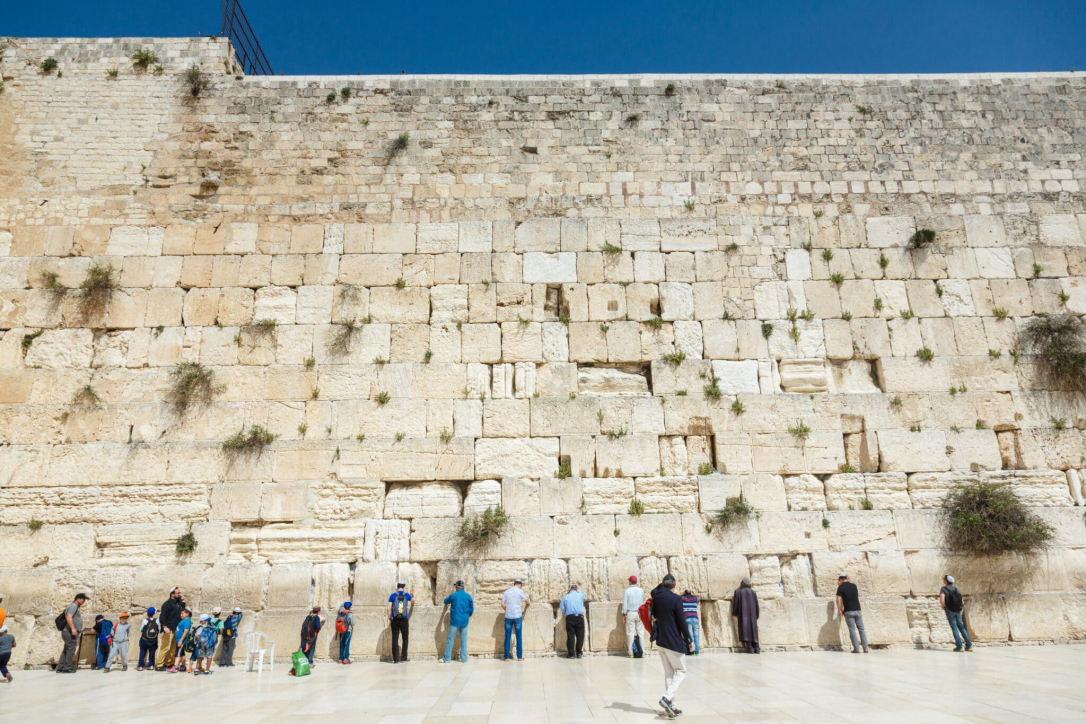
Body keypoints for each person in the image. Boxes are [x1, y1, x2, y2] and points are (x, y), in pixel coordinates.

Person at [650, 575, 694, 719]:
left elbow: (654, 590)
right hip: (673, 640)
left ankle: (672, 707)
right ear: (674, 585)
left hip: (661, 640)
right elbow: (682, 621)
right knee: (681, 671)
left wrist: (661, 585)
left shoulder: (656, 596)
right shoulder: (676, 599)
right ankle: (667, 697)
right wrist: (689, 640)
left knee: (669, 673)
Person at [441, 580, 474, 663]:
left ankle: (447, 658)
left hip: (455, 621)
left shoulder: (454, 595)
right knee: (464, 640)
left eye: (456, 586)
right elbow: (471, 610)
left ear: (457, 587)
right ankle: (464, 658)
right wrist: (467, 615)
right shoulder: (468, 596)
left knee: (450, 640)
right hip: (464, 621)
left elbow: (445, 601)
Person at [56, 592, 89, 673]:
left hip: (69, 631)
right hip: (69, 632)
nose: (83, 601)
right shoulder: (73, 606)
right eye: (83, 599)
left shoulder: (74, 606)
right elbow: (69, 617)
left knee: (67, 650)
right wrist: (73, 628)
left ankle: (61, 667)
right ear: (78, 598)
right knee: (71, 649)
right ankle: (67, 667)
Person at [836, 573, 868, 654]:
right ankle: (865, 648)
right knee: (861, 629)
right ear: (846, 578)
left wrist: (839, 609)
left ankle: (856, 649)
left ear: (840, 579)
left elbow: (838, 599)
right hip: (858, 610)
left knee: (852, 629)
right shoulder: (854, 586)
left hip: (848, 611)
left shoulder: (840, 587)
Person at [941, 575, 973, 652]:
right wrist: (960, 608)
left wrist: (943, 606)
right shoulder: (956, 589)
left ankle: (959, 646)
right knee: (961, 627)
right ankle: (969, 646)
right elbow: (962, 601)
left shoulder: (943, 589)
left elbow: (942, 599)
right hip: (958, 610)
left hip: (950, 610)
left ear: (946, 581)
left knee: (954, 627)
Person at [501, 578, 530, 662]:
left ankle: (506, 657)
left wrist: (507, 609)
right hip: (517, 616)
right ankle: (519, 657)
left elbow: (502, 604)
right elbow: (527, 601)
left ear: (514, 584)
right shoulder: (520, 591)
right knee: (518, 637)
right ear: (520, 585)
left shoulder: (507, 592)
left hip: (508, 616)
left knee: (507, 637)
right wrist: (528, 603)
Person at [156, 587, 184, 671]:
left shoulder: (178, 603)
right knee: (165, 646)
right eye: (178, 593)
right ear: (172, 594)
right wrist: (164, 627)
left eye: (179, 593)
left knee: (173, 647)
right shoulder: (167, 604)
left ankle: (169, 662)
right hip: (168, 629)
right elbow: (162, 616)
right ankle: (159, 664)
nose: (179, 594)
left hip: (176, 629)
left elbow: (183, 611)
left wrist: (182, 601)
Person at [732, 578, 760, 654]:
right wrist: (757, 615)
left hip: (743, 614)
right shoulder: (753, 592)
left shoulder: (738, 592)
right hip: (752, 615)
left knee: (745, 630)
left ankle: (750, 647)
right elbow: (756, 604)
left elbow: (736, 603)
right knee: (753, 630)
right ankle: (757, 648)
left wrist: (735, 613)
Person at [387, 582, 413, 664]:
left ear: (397, 587)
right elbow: (413, 601)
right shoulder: (407, 595)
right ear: (404, 587)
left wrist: (389, 617)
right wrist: (415, 594)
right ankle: (404, 658)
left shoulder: (392, 595)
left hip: (394, 619)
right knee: (405, 638)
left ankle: (396, 659)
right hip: (404, 619)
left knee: (395, 638)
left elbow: (388, 608)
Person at [559, 584, 586, 658]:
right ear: (576, 589)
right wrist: (577, 591)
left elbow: (562, 606)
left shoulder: (566, 597)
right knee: (580, 636)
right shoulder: (580, 595)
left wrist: (565, 613)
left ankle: (571, 654)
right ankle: (579, 653)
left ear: (570, 589)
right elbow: (583, 593)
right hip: (579, 617)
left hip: (570, 617)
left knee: (570, 636)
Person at [622, 575, 646, 658]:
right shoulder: (641, 590)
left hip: (631, 613)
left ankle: (631, 653)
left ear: (630, 582)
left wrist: (623, 614)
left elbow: (625, 604)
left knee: (630, 633)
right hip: (639, 613)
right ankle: (643, 653)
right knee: (641, 633)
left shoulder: (627, 591)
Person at [169, 609, 192, 673]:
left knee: (178, 653)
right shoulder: (183, 620)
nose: (181, 615)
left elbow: (186, 631)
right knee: (182, 653)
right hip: (178, 640)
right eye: (180, 614)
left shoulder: (187, 621)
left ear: (187, 614)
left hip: (181, 640)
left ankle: (175, 666)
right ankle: (183, 666)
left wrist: (181, 641)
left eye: (182, 614)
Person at [680, 589, 701, 655]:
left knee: (690, 634)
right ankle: (697, 650)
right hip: (695, 618)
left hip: (687, 618)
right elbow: (700, 596)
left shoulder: (682, 599)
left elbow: (675, 596)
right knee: (696, 634)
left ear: (685, 593)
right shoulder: (695, 599)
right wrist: (692, 594)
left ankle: (692, 649)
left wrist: (682, 594)